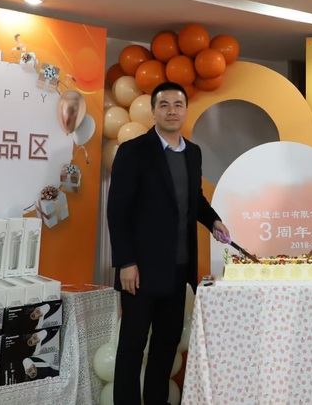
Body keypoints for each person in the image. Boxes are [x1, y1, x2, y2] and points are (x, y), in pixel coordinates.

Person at [107, 81, 230, 405]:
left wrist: (213, 221)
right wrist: (126, 262)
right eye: (164, 105)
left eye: (178, 105)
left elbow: (194, 199)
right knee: (133, 346)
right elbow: (117, 212)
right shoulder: (134, 151)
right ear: (153, 111)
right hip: (140, 272)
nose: (171, 111)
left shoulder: (193, 153)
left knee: (165, 346)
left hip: (178, 270)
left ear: (185, 110)